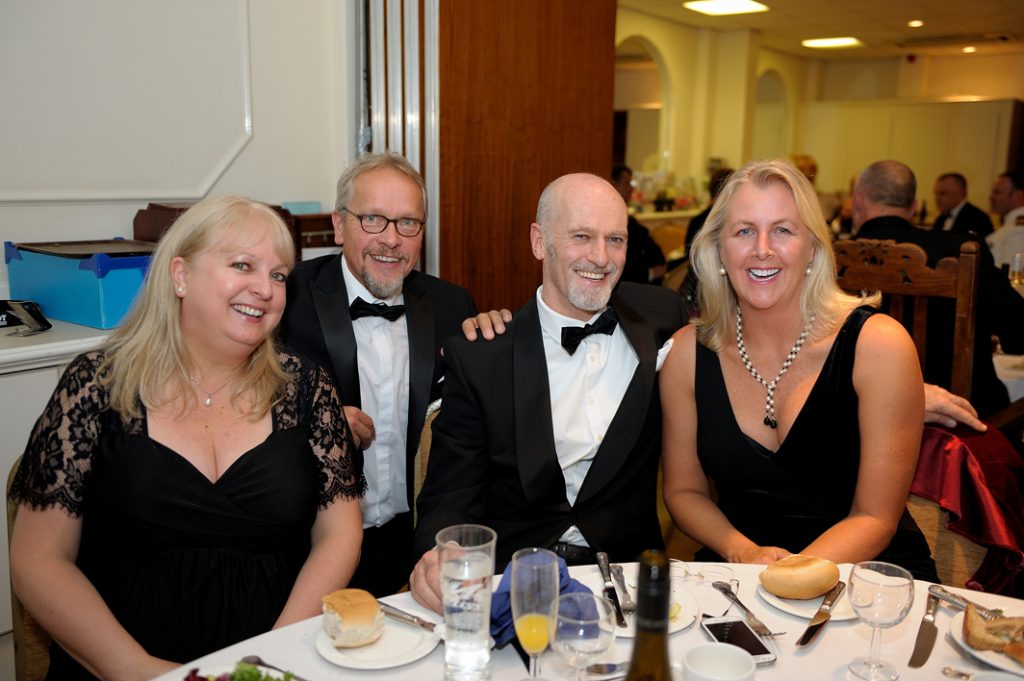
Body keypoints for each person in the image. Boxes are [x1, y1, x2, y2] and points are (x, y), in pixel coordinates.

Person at [8, 196, 364, 681]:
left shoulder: (307, 387)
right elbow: (38, 559)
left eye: (279, 275)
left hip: (276, 659)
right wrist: (136, 669)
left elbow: (339, 534)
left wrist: (273, 657)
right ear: (180, 275)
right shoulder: (96, 385)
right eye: (243, 265)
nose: (265, 289)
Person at [408, 173, 687, 613]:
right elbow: (449, 495)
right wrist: (443, 551)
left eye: (615, 239)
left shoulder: (663, 318)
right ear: (539, 242)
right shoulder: (483, 356)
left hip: (630, 579)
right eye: (582, 236)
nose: (601, 257)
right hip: (515, 583)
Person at [660, 159, 938, 581]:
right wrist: (743, 552)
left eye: (783, 230)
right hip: (741, 577)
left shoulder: (878, 345)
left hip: (864, 582)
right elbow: (683, 491)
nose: (762, 248)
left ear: (813, 249)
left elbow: (875, 517)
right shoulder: (686, 354)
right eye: (744, 231)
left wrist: (789, 575)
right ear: (718, 250)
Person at [278, 152, 479, 597]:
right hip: (309, 548)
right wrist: (314, 424)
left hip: (415, 546)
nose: (391, 239)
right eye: (373, 219)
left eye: (408, 223)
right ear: (339, 225)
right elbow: (242, 405)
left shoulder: (453, 306)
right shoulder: (286, 299)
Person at [854, 161, 1024, 418]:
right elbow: (1018, 333)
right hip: (962, 419)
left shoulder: (832, 257)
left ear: (858, 199)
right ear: (913, 207)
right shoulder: (963, 250)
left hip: (863, 415)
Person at [610, 164, 667, 284]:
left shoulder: (630, 220)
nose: (631, 189)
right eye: (627, 183)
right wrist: (650, 273)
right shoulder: (610, 221)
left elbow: (655, 252)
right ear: (614, 185)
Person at [932, 172, 994, 238]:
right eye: (936, 194)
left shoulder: (978, 218)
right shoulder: (941, 218)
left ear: (960, 193)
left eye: (943, 193)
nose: (937, 198)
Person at [987, 170, 1024, 268]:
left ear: (1018, 196)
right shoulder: (1011, 224)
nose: (990, 197)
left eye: (997, 192)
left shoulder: (1019, 228)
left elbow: (1013, 271)